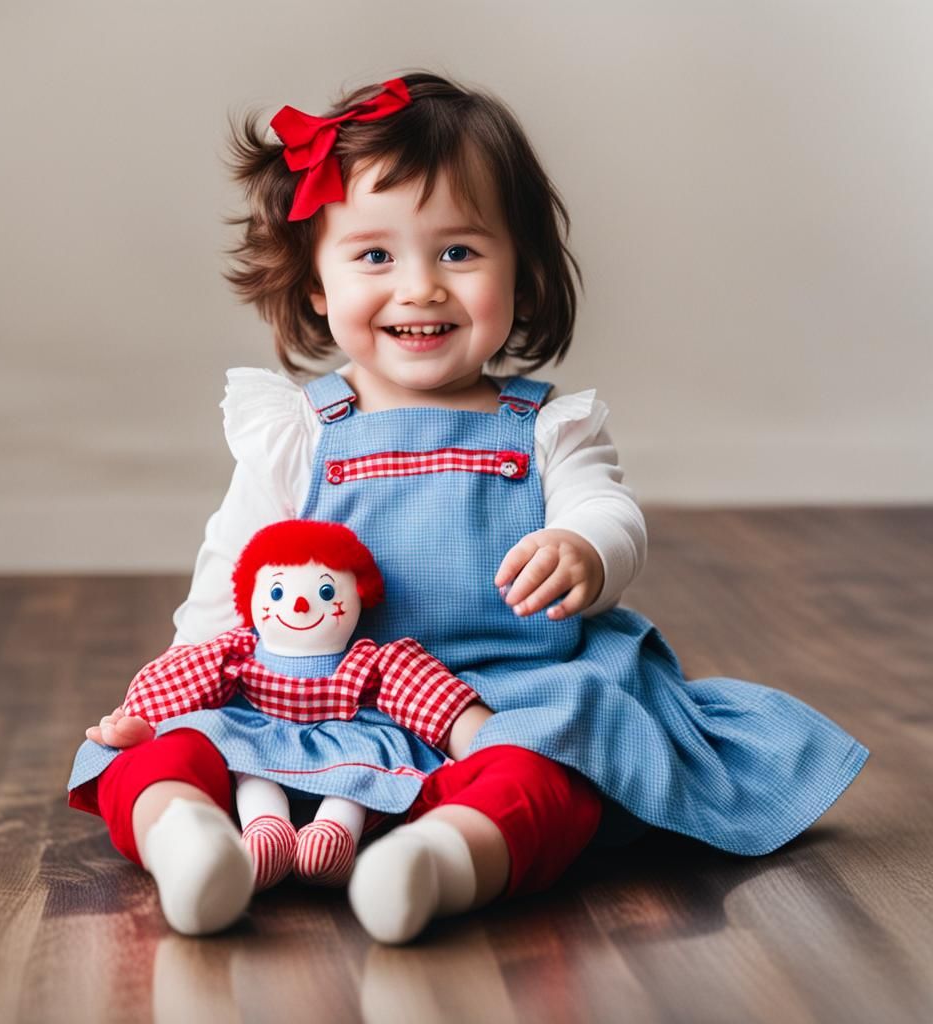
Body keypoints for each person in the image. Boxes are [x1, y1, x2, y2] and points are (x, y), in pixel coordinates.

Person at [69, 71, 868, 943]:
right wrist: (184, 686)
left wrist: (583, 547)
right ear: (315, 287)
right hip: (321, 696)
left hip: (505, 695)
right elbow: (231, 574)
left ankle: (442, 861)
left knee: (555, 774)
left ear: (522, 278)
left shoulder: (548, 430)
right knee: (157, 754)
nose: (421, 288)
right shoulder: (297, 434)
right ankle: (187, 838)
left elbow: (610, 511)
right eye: (375, 256)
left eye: (458, 252)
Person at [80, 519, 489, 900]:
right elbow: (187, 675)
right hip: (259, 734)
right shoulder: (237, 652)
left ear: (358, 595)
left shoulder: (367, 662)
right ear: (252, 598)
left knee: (357, 777)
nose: (297, 605)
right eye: (277, 592)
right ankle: (264, 828)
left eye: (326, 592)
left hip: (347, 739)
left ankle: (334, 834)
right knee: (245, 765)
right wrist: (141, 716)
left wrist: (479, 741)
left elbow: (416, 685)